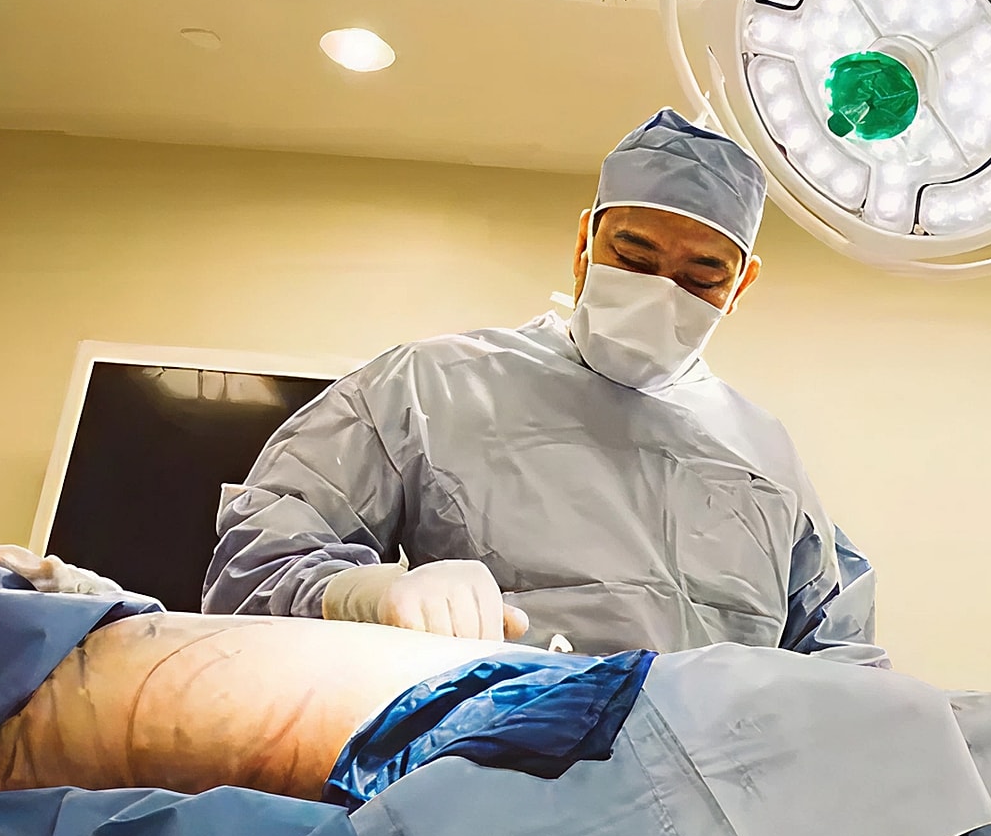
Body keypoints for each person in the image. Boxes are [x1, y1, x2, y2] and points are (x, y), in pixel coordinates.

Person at [201, 110, 880, 663]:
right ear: (585, 242)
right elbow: (257, 565)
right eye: (633, 256)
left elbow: (837, 661)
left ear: (741, 287)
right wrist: (370, 594)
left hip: (714, 802)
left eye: (702, 277)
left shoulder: (767, 459)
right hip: (497, 776)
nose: (659, 295)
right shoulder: (433, 388)